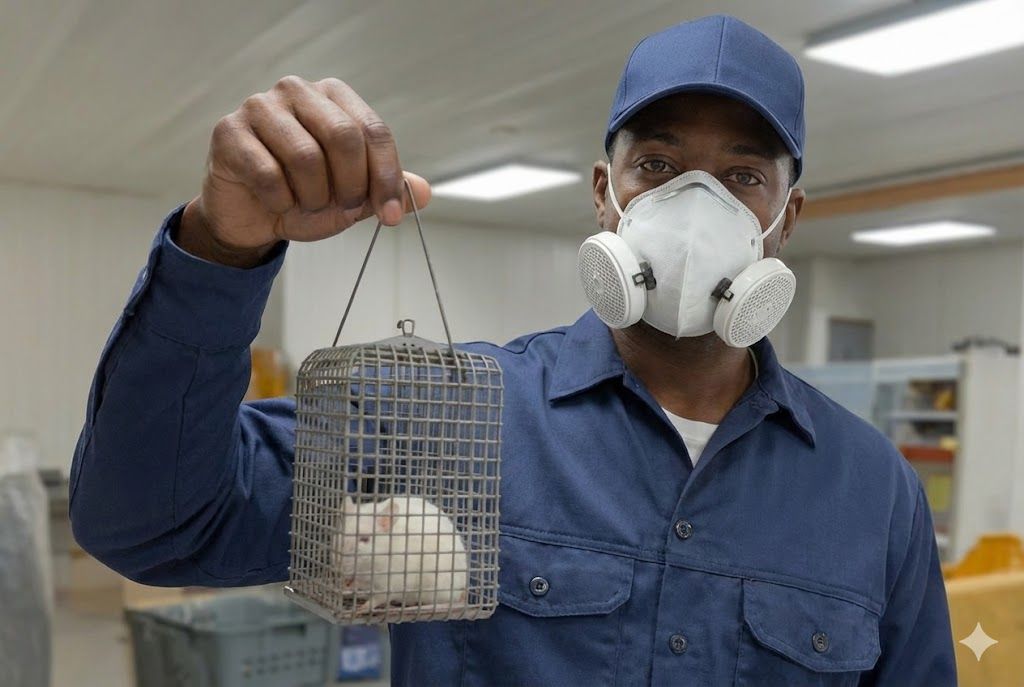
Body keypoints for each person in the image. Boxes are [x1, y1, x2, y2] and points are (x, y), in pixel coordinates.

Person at [70, 14, 956, 686]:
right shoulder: (441, 415)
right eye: (657, 165)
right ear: (606, 196)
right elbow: (152, 523)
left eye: (742, 177)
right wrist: (222, 247)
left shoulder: (874, 490)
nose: (698, 207)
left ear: (783, 219)